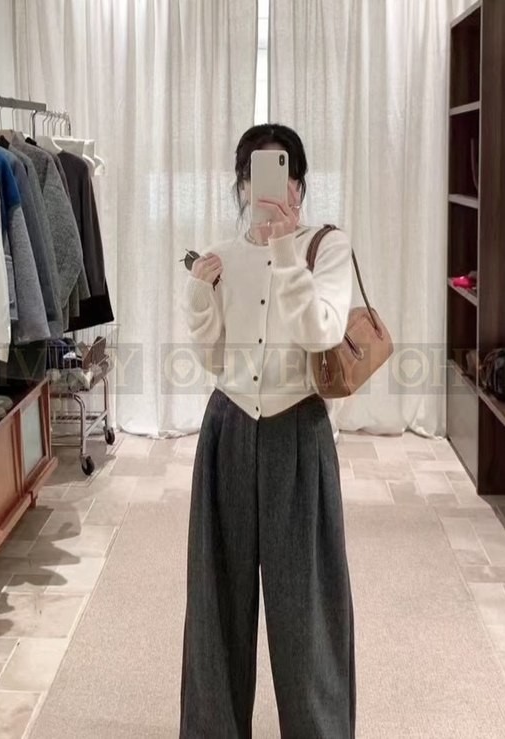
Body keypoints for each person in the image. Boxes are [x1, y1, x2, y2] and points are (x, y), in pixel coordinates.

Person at [180, 123, 356, 738]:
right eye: (254, 175)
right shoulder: (221, 256)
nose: (269, 188)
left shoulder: (326, 248)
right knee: (216, 601)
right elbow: (214, 360)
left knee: (306, 607)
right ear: (240, 184)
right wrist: (200, 297)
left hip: (298, 430)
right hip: (227, 429)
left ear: (299, 184)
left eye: (282, 173)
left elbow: (322, 333)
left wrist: (285, 253)